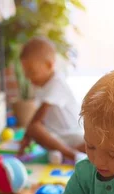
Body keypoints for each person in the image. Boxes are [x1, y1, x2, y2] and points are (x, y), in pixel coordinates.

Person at [18, 36, 86, 164]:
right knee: (36, 130)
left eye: (31, 72)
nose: (28, 77)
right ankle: (62, 154)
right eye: (25, 73)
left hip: (73, 134)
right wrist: (28, 137)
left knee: (34, 128)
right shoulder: (40, 84)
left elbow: (37, 118)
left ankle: (73, 155)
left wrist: (28, 135)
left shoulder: (57, 83)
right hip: (57, 137)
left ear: (49, 65)